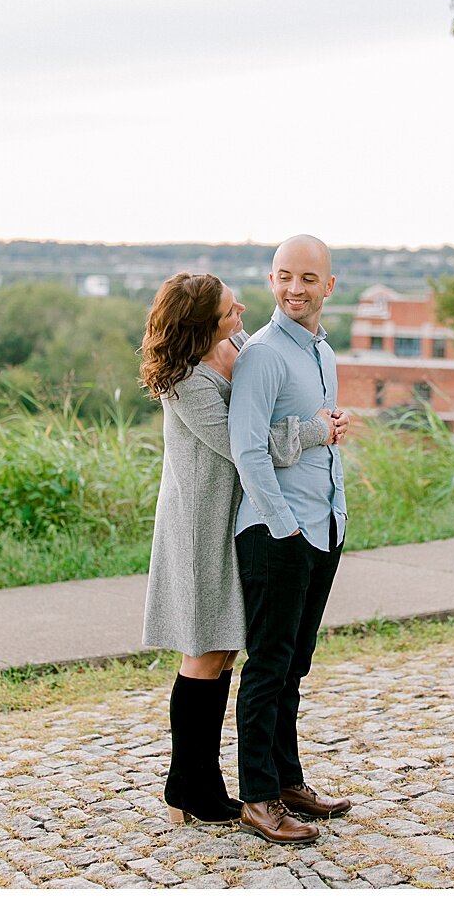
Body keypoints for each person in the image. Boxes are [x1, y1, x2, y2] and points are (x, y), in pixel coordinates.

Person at [140, 273, 344, 826]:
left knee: (229, 647)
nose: (243, 311)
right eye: (232, 309)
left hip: (240, 513)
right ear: (203, 323)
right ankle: (190, 785)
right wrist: (313, 431)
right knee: (206, 651)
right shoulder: (186, 382)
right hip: (202, 521)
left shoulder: (237, 346)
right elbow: (243, 447)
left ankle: (201, 782)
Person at [229, 235, 352, 845]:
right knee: (268, 667)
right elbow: (247, 451)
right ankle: (257, 798)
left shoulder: (323, 352)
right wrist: (285, 526)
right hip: (279, 531)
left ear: (329, 286)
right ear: (270, 279)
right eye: (284, 276)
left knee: (294, 667)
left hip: (323, 525)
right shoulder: (263, 354)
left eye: (307, 278)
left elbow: (307, 433)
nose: (294, 289)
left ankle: (286, 779)